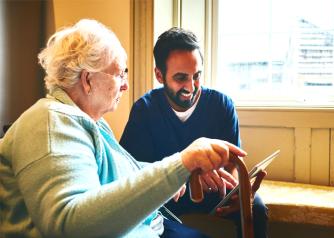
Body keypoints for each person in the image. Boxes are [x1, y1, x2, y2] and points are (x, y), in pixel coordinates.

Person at [0, 19, 248, 238]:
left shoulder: (89, 123)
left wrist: (184, 171)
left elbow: (118, 175)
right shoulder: (51, 122)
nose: (126, 86)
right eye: (119, 74)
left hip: (151, 226)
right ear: (88, 80)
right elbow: (69, 225)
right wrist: (181, 163)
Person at [120, 27, 268, 238]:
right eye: (181, 78)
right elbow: (131, 173)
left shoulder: (221, 104)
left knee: (256, 208)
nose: (191, 86)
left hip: (215, 193)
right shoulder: (145, 110)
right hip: (169, 197)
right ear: (159, 75)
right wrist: (188, 174)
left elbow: (232, 165)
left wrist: (237, 192)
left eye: (197, 76)